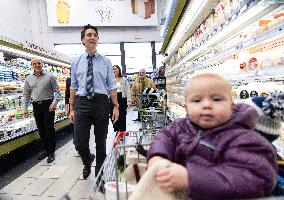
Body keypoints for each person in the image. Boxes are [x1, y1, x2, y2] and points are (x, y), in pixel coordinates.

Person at [147, 73, 277, 200]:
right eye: (197, 100)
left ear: (231, 106)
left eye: (217, 99)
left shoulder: (244, 139)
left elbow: (254, 180)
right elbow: (165, 137)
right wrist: (158, 156)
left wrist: (190, 179)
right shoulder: (180, 127)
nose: (207, 105)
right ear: (186, 106)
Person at [69, 24, 119, 179]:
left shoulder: (106, 61)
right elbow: (73, 86)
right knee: (79, 143)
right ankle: (87, 159)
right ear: (83, 40)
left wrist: (115, 106)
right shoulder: (76, 61)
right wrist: (71, 108)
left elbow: (111, 85)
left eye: (94, 35)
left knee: (101, 143)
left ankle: (100, 177)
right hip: (82, 102)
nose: (92, 37)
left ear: (98, 39)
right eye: (88, 35)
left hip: (100, 103)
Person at [23, 58, 60, 163]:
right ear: (31, 65)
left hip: (48, 105)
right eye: (34, 64)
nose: (37, 65)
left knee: (49, 128)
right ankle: (46, 150)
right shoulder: (28, 78)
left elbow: (57, 92)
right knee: (41, 129)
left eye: (38, 63)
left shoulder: (50, 76)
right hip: (36, 106)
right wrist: (25, 108)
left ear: (42, 64)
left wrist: (54, 103)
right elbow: (26, 94)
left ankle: (51, 152)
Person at [109, 65, 130, 132]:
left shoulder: (123, 79)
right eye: (113, 69)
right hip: (112, 99)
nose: (114, 70)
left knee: (122, 115)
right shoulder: (110, 80)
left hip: (122, 98)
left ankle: (122, 131)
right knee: (112, 115)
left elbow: (128, 90)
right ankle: (117, 130)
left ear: (119, 70)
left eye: (115, 69)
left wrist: (129, 101)